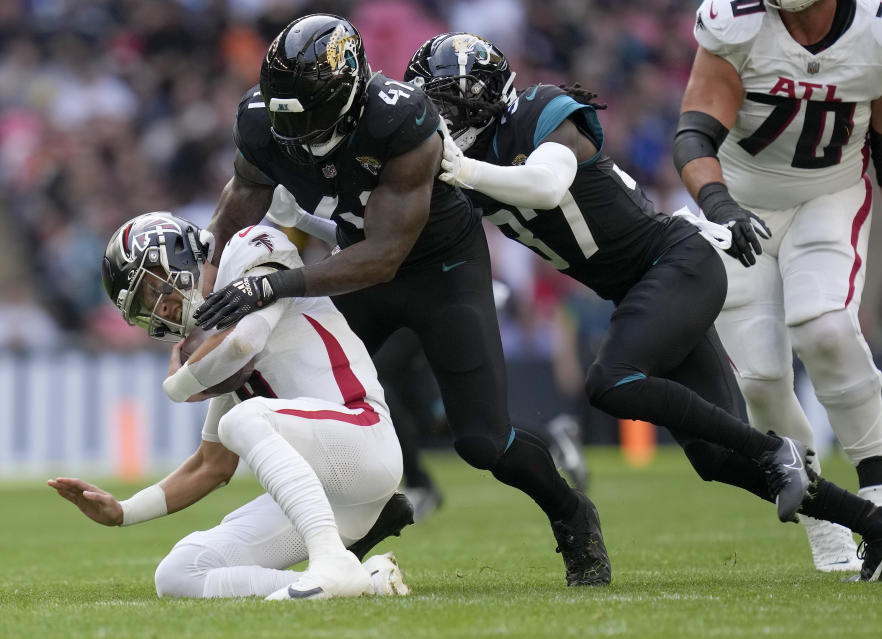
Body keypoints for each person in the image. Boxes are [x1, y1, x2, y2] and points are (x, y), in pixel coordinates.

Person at [405, 31, 882, 581]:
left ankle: (779, 451)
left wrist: (461, 169)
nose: (436, 119)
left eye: (445, 105)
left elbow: (546, 185)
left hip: (676, 262)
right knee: (717, 458)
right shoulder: (470, 162)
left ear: (484, 100)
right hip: (645, 288)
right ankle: (880, 525)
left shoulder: (541, 113)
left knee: (609, 380)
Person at [189, 14, 610, 587]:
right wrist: (208, 279)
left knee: (485, 441)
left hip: (439, 270)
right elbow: (244, 193)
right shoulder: (264, 121)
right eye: (286, 112)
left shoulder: (403, 121)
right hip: (356, 266)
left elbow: (386, 255)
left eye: (309, 112)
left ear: (347, 95)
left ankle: (571, 513)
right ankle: (375, 508)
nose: (296, 132)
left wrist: (273, 284)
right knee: (312, 403)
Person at [674, 0, 882, 571]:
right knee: (761, 378)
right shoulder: (735, 23)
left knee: (826, 326)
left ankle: (881, 491)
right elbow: (693, 134)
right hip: (739, 202)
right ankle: (824, 516)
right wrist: (719, 204)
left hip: (827, 194)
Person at [49, 213, 413, 600]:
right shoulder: (217, 345)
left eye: (152, 288)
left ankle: (331, 562)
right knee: (178, 573)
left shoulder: (249, 247)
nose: (160, 310)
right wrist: (123, 512)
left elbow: (245, 342)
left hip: (365, 440)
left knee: (243, 419)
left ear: (177, 254)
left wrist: (177, 385)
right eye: (142, 304)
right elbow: (211, 465)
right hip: (330, 500)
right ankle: (363, 584)